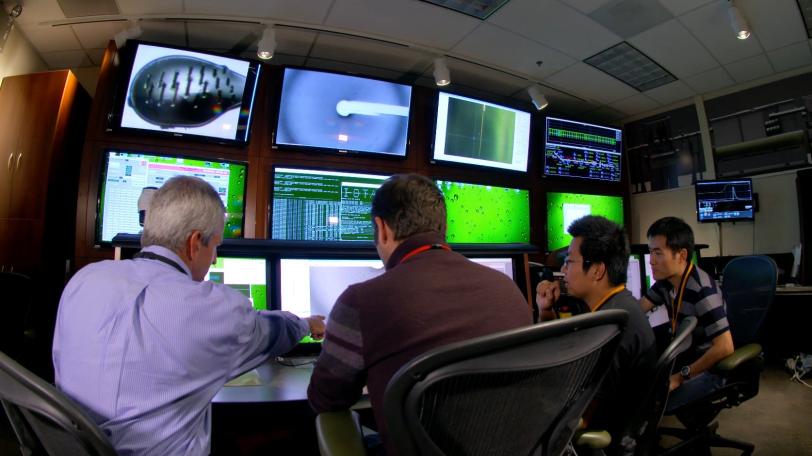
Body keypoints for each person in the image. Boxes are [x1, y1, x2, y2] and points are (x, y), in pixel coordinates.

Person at [53, 176, 325, 455]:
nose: (215, 258)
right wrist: (307, 323)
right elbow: (272, 331)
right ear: (195, 242)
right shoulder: (210, 308)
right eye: (215, 246)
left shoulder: (83, 281)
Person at [307, 173, 532, 455]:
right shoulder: (508, 289)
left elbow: (325, 399)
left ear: (382, 228)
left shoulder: (360, 300)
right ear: (443, 226)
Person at [536, 215, 657, 446]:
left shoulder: (608, 330)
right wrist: (546, 312)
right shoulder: (621, 306)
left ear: (597, 271)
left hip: (610, 436)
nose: (563, 269)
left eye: (569, 262)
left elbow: (581, 418)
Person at [640, 216, 734, 412]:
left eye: (658, 253)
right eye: (650, 252)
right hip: (686, 355)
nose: (651, 261)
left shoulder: (702, 290)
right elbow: (638, 309)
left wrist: (681, 376)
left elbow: (725, 348)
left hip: (709, 367)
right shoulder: (665, 284)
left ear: (681, 255)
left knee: (652, 403)